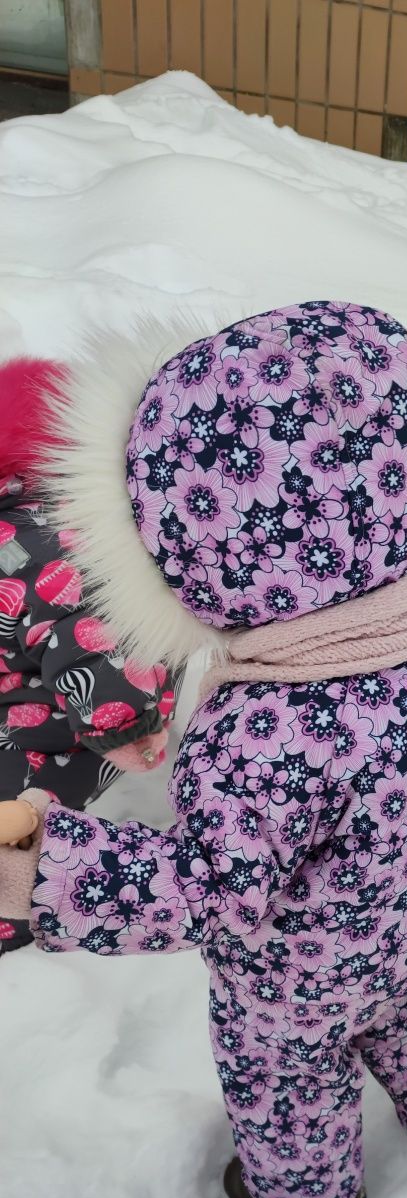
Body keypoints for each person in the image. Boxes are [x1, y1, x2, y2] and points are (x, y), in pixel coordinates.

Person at [0, 302, 407, 1198]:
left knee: (285, 1086)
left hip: (291, 988)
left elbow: (206, 893)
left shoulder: (258, 733)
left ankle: (307, 1197)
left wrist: (34, 857)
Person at [0, 357, 175, 956]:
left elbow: (98, 639)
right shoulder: (77, 525)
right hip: (24, 704)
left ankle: (13, 908)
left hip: (51, 738)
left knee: (18, 821)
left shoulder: (51, 549)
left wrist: (126, 722)